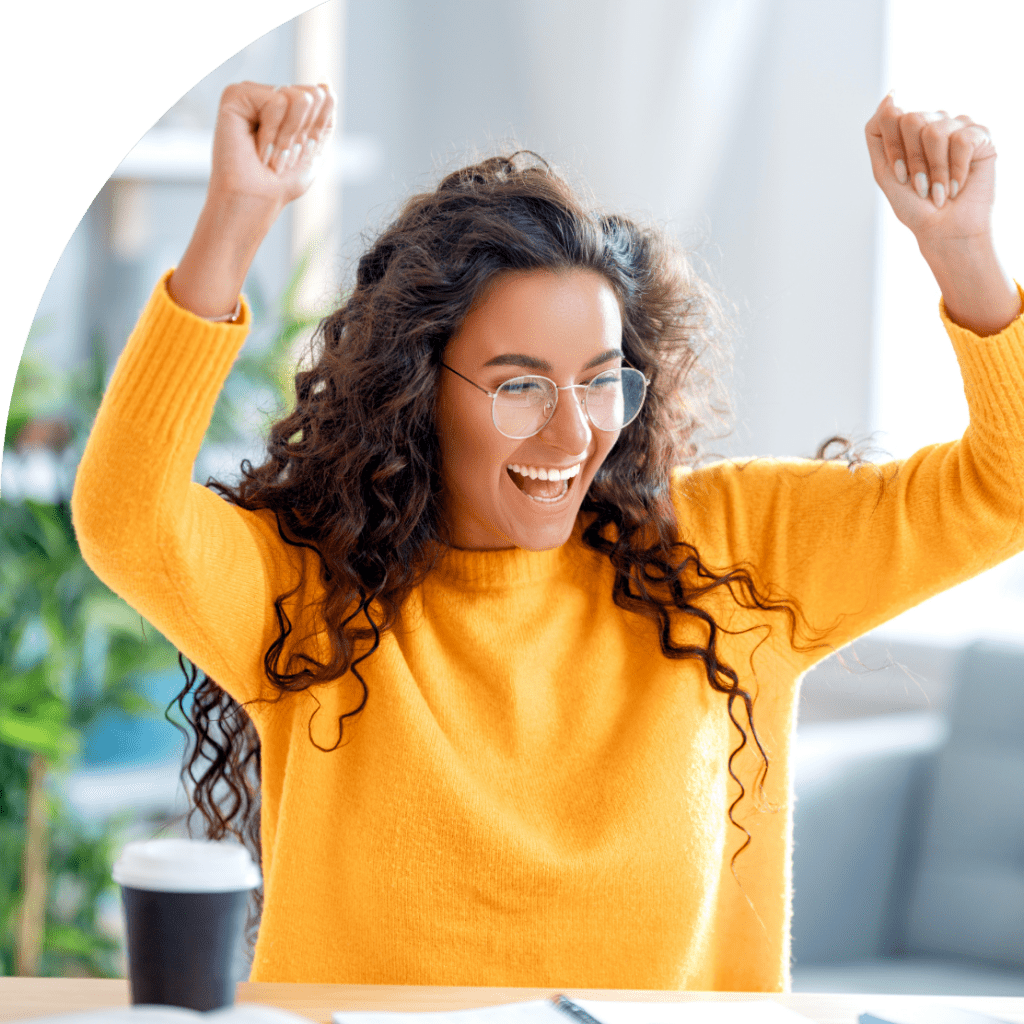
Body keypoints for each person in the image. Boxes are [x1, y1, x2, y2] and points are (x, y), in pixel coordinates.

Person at [71, 80, 1024, 991]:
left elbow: (1005, 489)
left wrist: (963, 250)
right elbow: (126, 515)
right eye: (521, 384)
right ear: (417, 392)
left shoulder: (729, 559)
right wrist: (236, 216)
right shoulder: (312, 595)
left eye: (601, 379)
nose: (574, 436)